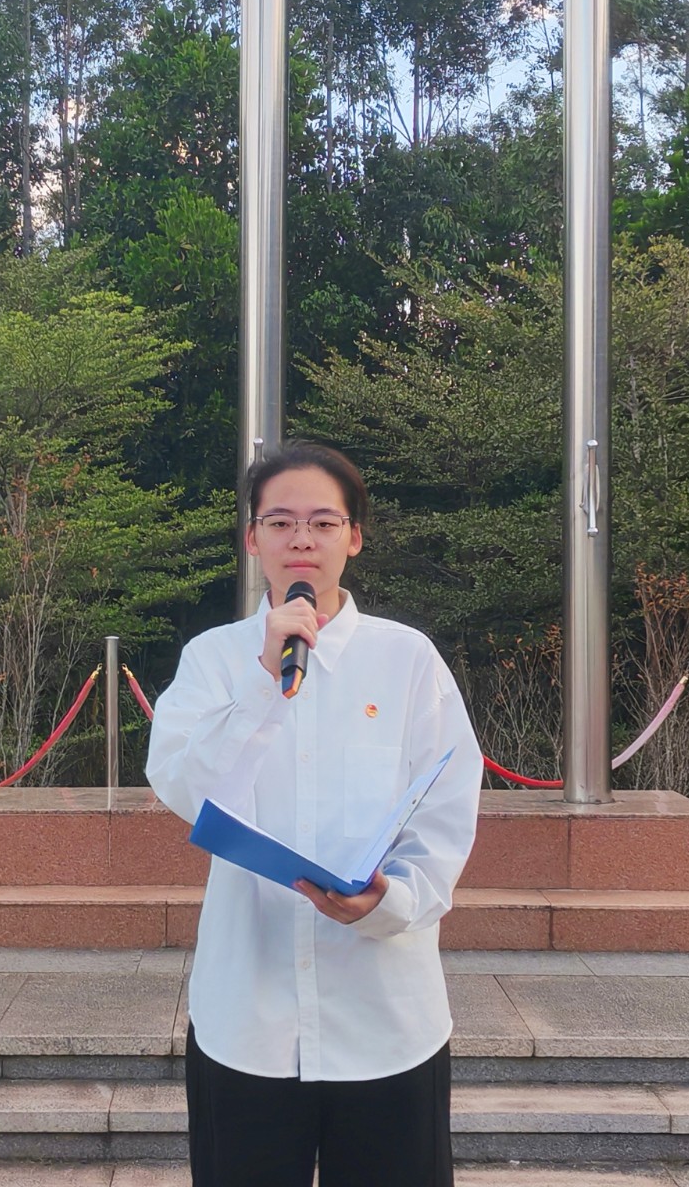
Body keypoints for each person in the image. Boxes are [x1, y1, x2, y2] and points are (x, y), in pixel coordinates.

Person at [146, 442, 484, 1187]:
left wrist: (392, 900)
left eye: (323, 522)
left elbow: (446, 803)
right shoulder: (213, 659)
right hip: (248, 1017)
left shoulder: (407, 659)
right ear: (253, 538)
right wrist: (264, 678)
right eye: (281, 522)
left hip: (386, 1016)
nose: (301, 538)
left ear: (353, 537)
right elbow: (185, 788)